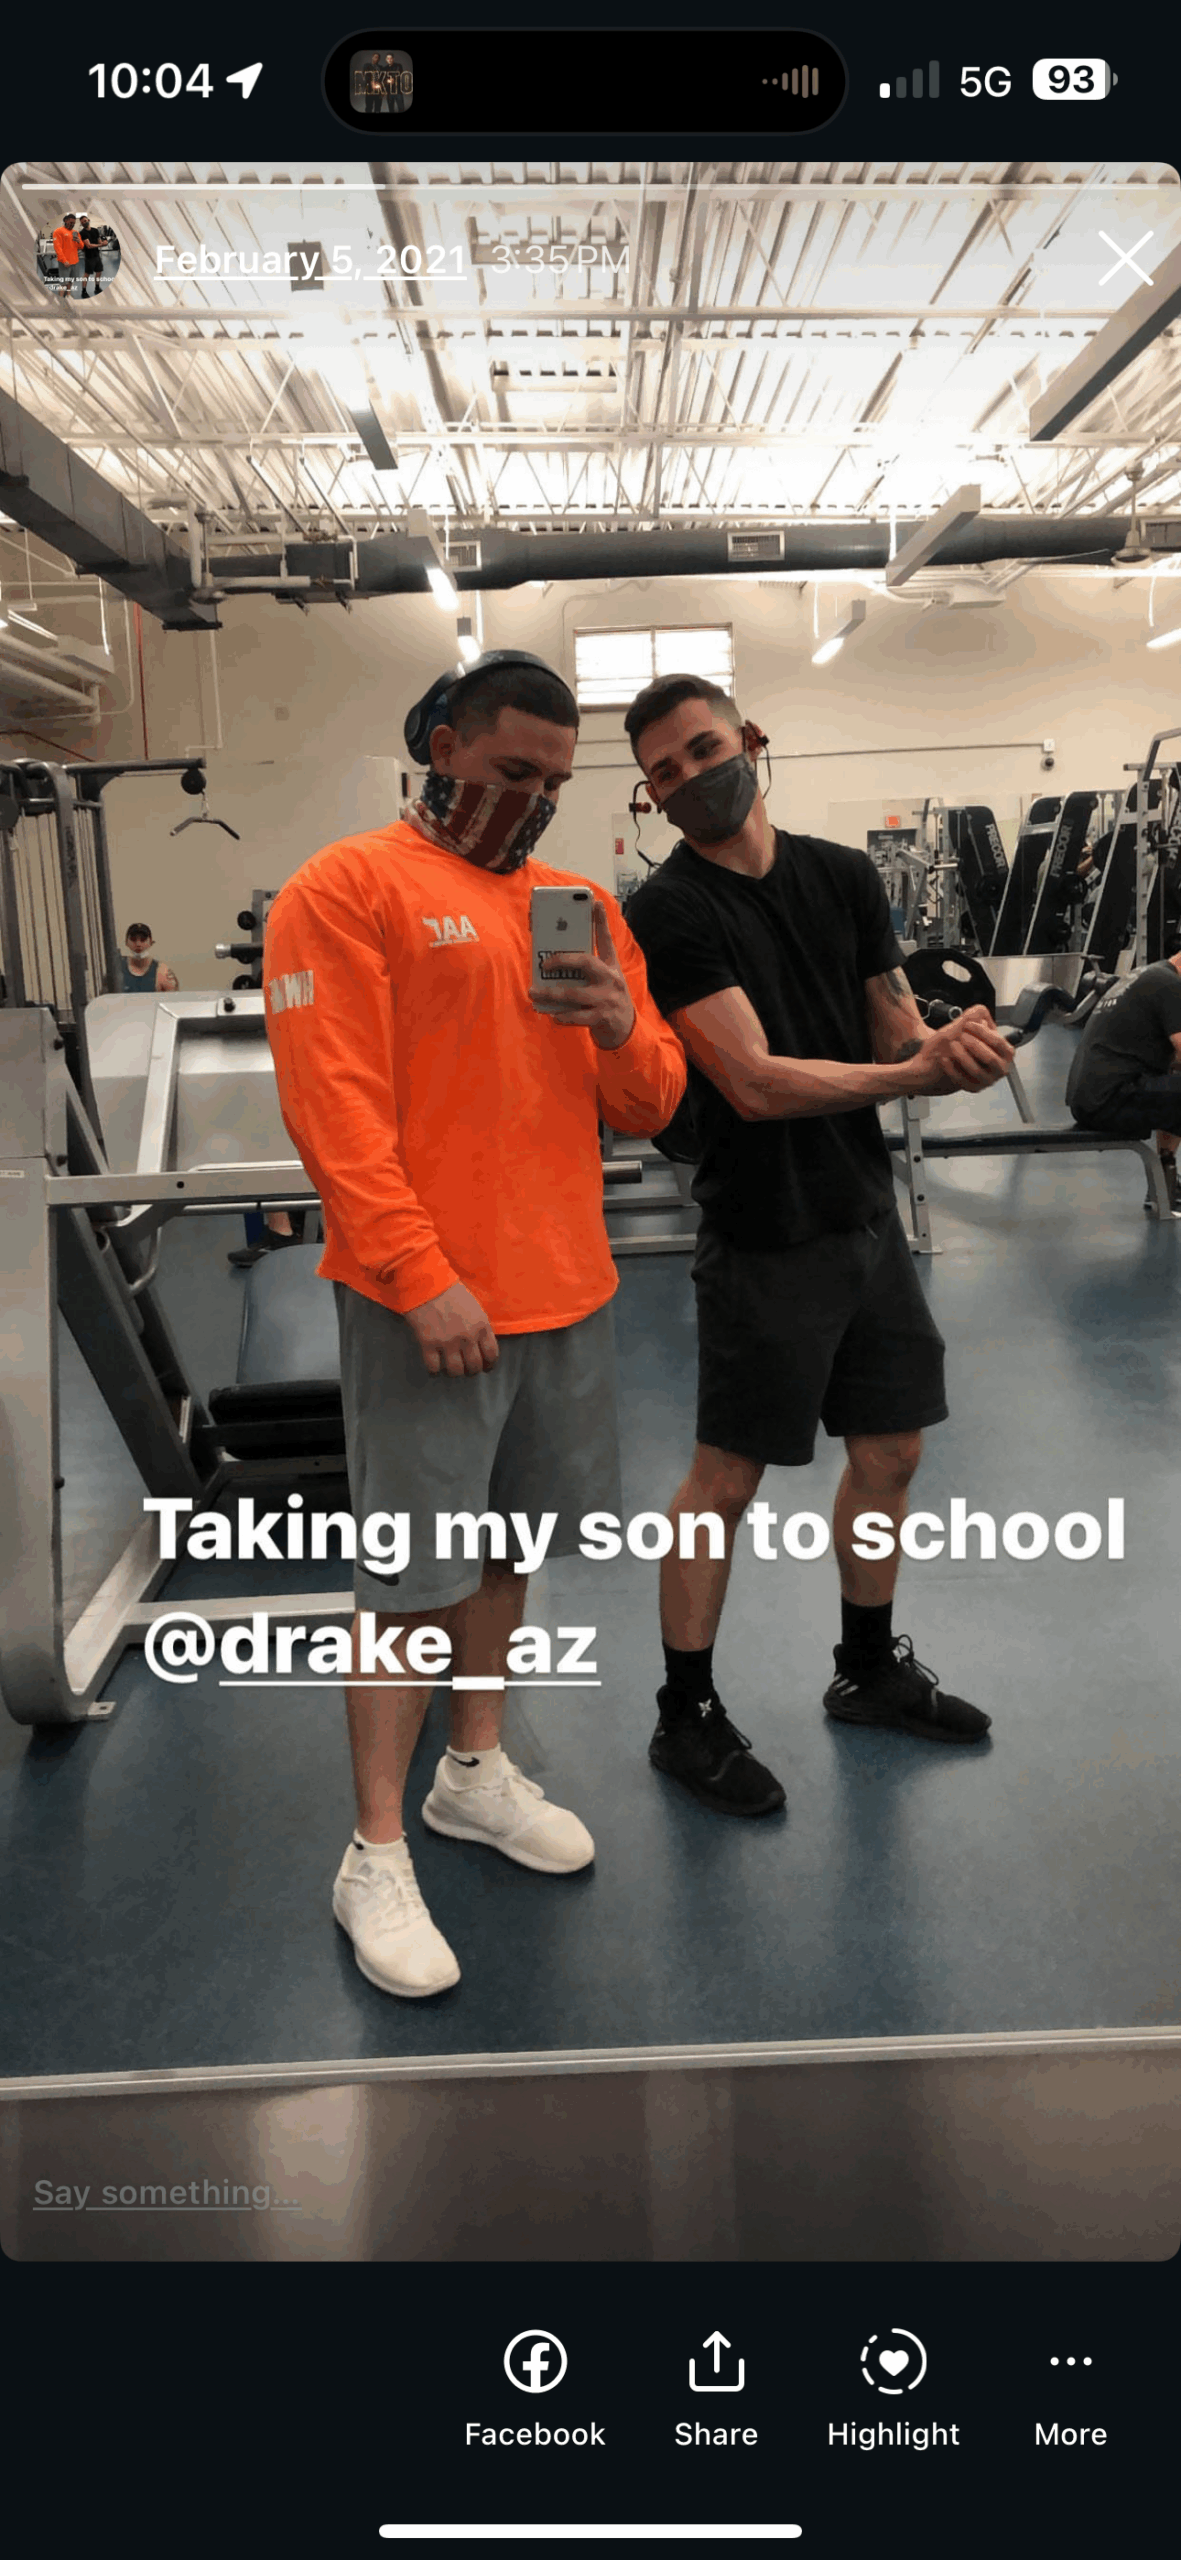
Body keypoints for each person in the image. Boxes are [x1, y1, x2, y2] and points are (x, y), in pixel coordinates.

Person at [263, 650, 686, 1997]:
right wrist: (413, 1268)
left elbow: (652, 1101)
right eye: (510, 770)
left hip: (565, 1290)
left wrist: (617, 1020)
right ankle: (373, 1851)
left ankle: (473, 1770)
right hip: (425, 1304)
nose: (533, 799)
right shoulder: (346, 889)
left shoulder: (579, 906)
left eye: (555, 780)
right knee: (406, 1583)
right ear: (442, 746)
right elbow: (332, 1105)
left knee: (504, 1553)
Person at [622, 675, 1016, 1818]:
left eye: (704, 750)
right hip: (762, 1227)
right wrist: (908, 1075)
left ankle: (867, 1668)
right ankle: (683, 1714)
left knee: (889, 1448)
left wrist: (943, 1043)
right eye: (663, 773)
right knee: (723, 1481)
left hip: (860, 1213)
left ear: (749, 740)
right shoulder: (669, 913)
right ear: (650, 798)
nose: (691, 779)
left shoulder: (841, 875)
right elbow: (749, 1082)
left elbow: (889, 1022)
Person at [1065, 949, 1181, 1207]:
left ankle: (1165, 1179)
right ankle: (1164, 1185)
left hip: (1092, 1099)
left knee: (1174, 1084)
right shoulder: (1170, 985)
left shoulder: (1147, 975)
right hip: (1111, 1099)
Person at [119, 922, 178, 994]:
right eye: (133, 939)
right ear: (126, 942)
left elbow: (173, 999)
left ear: (150, 942)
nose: (138, 944)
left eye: (143, 940)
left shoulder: (162, 971)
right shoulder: (117, 968)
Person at [51, 215, 79, 295]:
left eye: (74, 223)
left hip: (74, 261)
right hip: (65, 262)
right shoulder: (58, 231)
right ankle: (61, 297)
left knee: (70, 281)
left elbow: (78, 246)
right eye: (71, 222)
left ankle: (68, 295)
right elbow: (58, 248)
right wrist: (64, 260)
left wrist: (78, 241)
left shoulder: (74, 232)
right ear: (65, 221)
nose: (72, 224)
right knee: (63, 283)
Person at [77, 216, 105, 296]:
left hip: (97, 255)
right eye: (82, 222)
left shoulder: (95, 230)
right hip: (89, 257)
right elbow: (88, 246)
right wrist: (100, 245)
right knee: (87, 274)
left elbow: (99, 241)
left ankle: (97, 287)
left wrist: (103, 242)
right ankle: (84, 291)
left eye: (85, 220)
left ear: (88, 220)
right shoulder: (82, 233)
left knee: (99, 272)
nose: (84, 223)